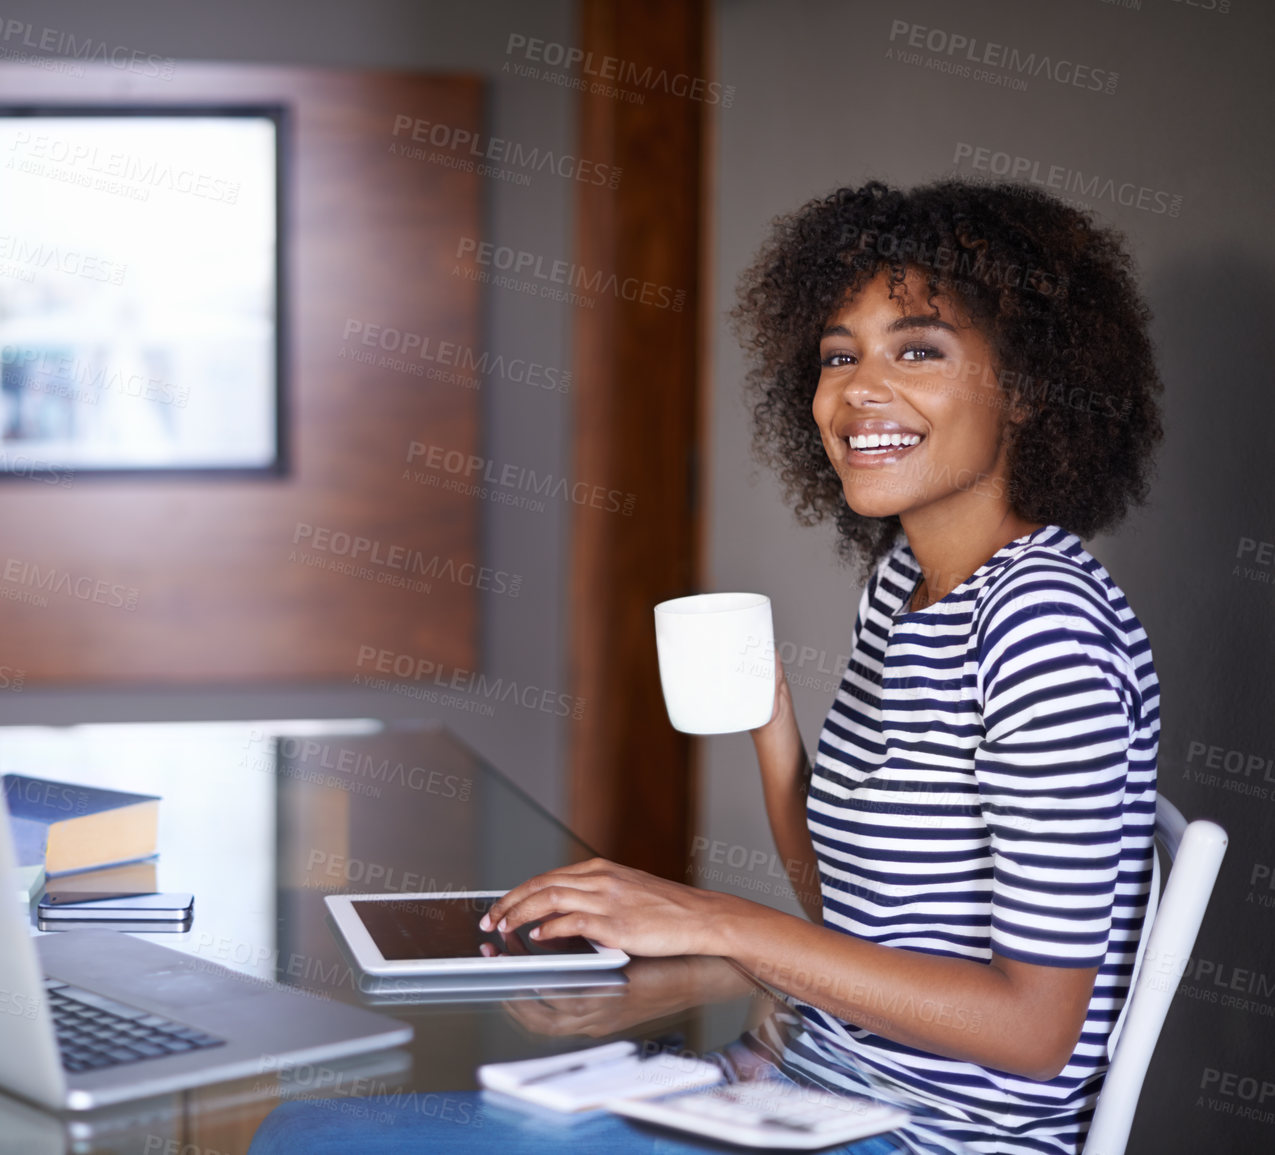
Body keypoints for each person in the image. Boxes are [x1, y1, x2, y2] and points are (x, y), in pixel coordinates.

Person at [484, 179, 1164, 1155]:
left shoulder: (1044, 627)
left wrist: (716, 923)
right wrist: (771, 727)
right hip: (806, 1086)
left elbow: (1033, 1031)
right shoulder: (906, 586)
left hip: (925, 1138)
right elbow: (851, 911)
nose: (856, 390)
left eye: (917, 349)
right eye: (837, 354)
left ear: (1025, 389)